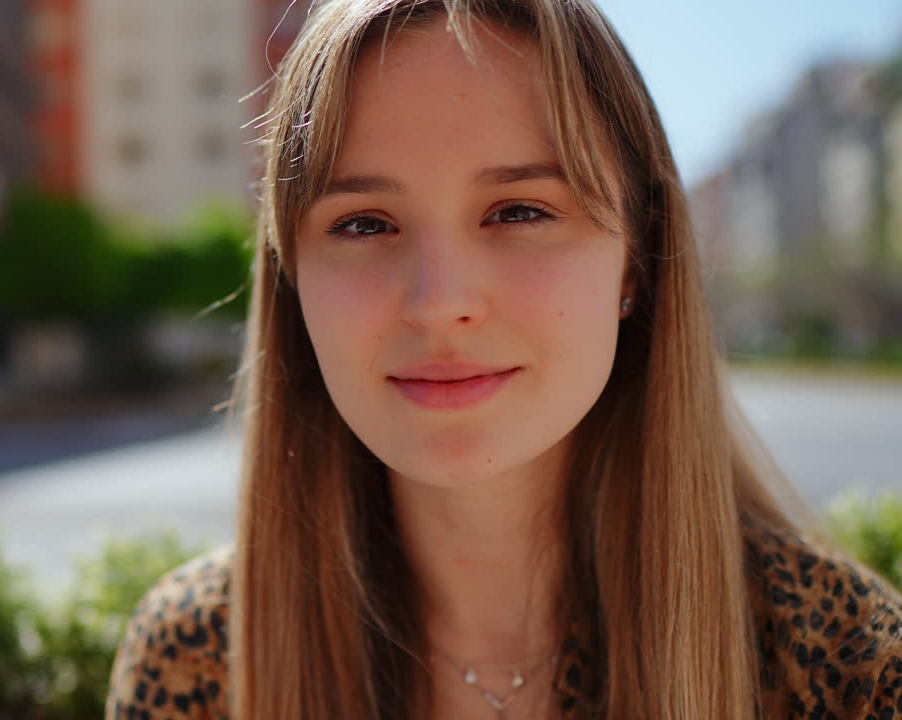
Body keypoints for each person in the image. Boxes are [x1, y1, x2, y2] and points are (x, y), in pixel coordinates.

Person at [106, 1, 902, 718]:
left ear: (637, 256)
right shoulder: (194, 661)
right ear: (291, 275)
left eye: (519, 210)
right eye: (362, 223)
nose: (437, 300)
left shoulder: (842, 664)